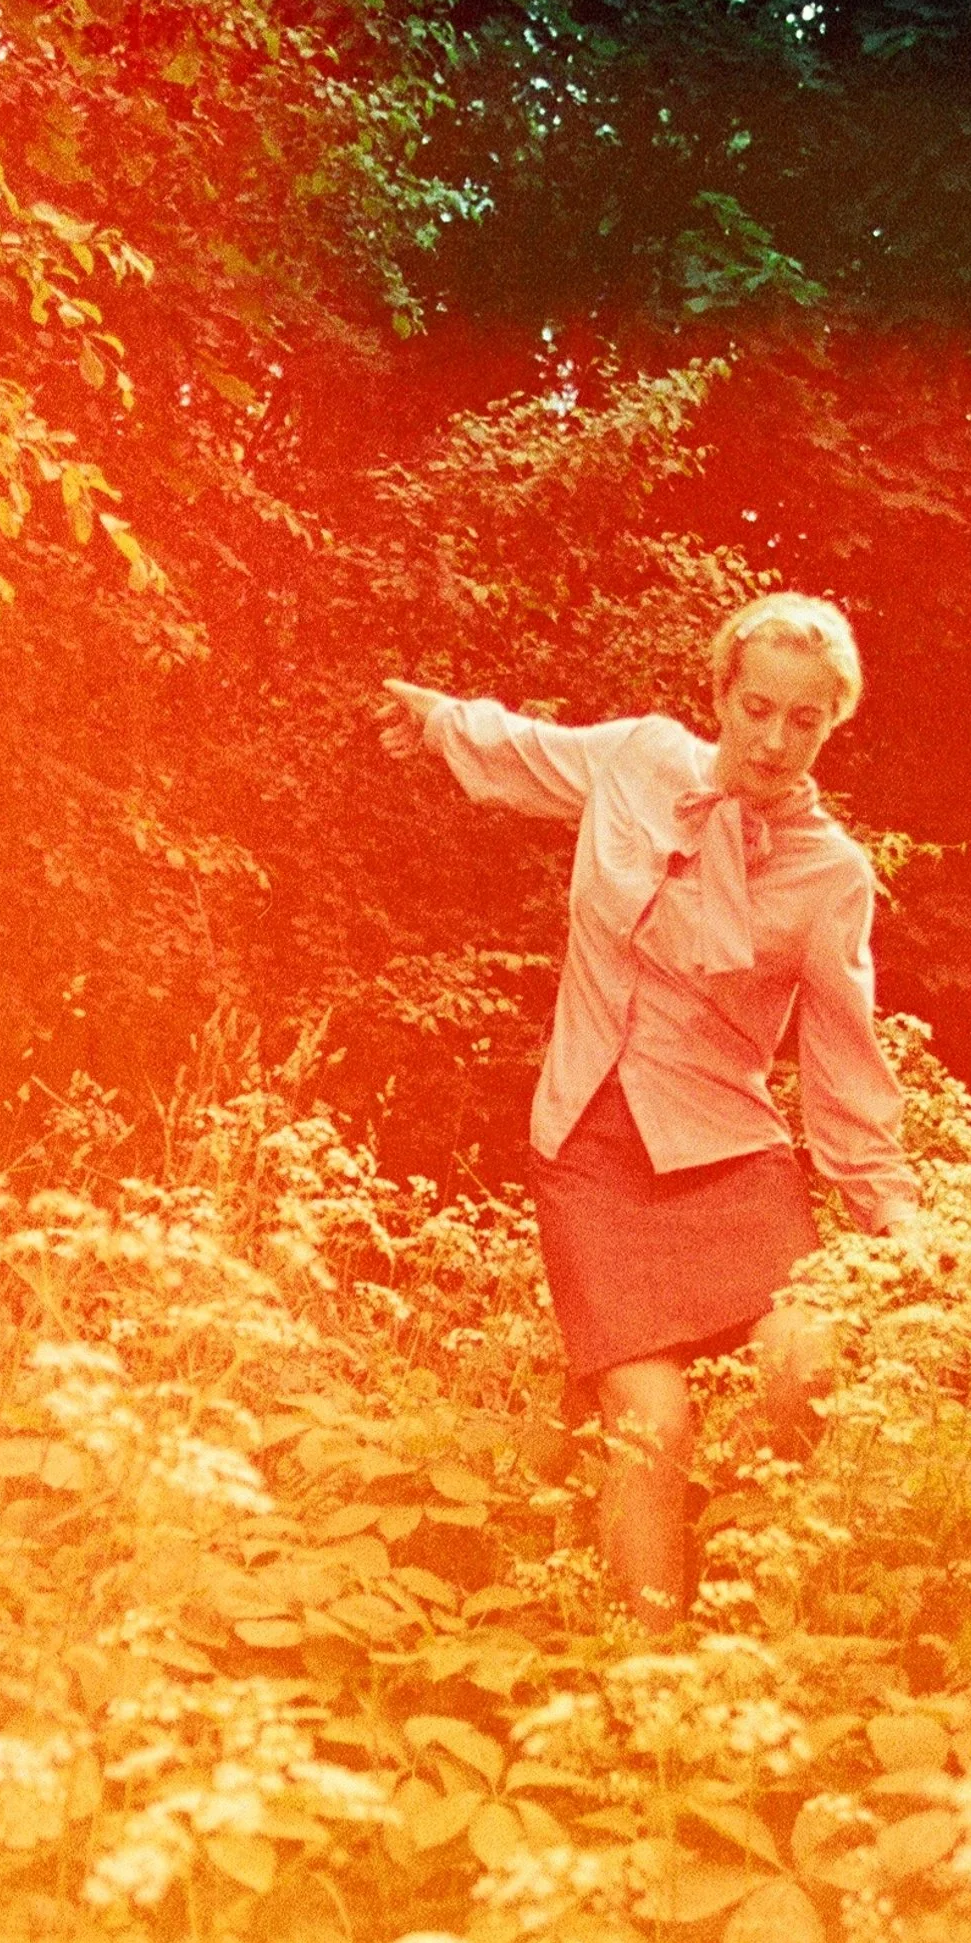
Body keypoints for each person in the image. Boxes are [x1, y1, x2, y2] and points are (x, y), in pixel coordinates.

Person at [377, 591, 922, 1627]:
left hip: (727, 1146)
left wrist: (894, 1217)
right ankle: (645, 1664)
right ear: (719, 693)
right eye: (756, 706)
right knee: (651, 1419)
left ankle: (740, 1570)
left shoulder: (831, 874)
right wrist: (439, 719)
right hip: (590, 1142)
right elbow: (526, 752)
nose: (772, 739)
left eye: (803, 720)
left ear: (832, 724)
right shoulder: (635, 761)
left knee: (806, 1362)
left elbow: (844, 1063)